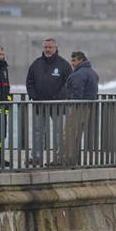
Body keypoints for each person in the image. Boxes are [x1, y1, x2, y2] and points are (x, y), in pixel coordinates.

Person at [25, 37, 72, 166]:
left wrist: (59, 97)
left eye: (50, 47)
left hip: (58, 105)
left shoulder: (64, 64)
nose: (48, 49)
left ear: (56, 48)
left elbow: (69, 84)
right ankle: (36, 157)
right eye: (46, 47)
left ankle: (59, 158)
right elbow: (29, 81)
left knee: (58, 132)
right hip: (39, 104)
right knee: (37, 131)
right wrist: (33, 96)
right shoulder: (36, 64)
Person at [60, 51, 99, 165]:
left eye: (74, 60)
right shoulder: (92, 72)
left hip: (77, 107)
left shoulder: (79, 74)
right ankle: (73, 158)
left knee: (69, 133)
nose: (72, 63)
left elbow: (76, 92)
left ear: (81, 60)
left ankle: (65, 159)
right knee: (77, 134)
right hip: (87, 107)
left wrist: (71, 101)